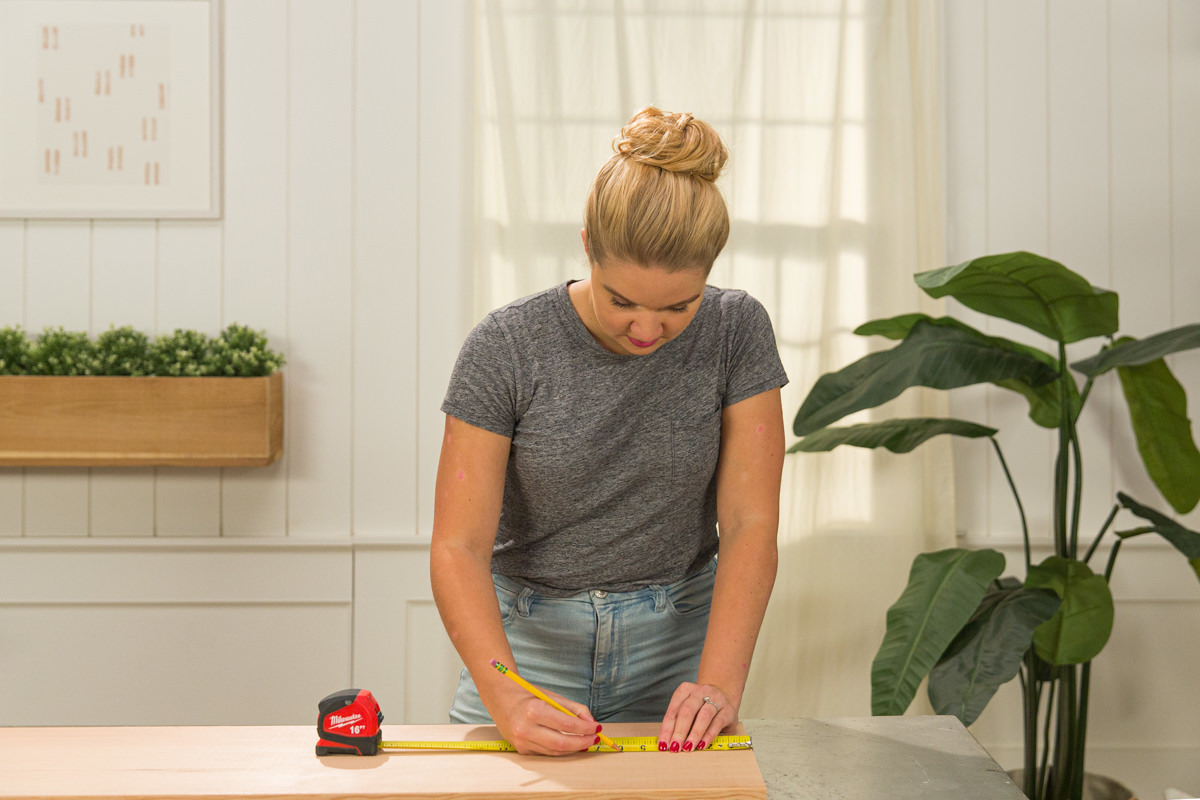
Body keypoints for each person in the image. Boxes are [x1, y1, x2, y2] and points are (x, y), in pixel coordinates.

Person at [430, 106, 787, 757]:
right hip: (528, 648)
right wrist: (506, 696)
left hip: (680, 644)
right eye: (622, 300)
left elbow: (749, 524)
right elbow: (457, 546)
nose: (647, 330)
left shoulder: (737, 330)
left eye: (679, 306)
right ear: (588, 245)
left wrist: (718, 684)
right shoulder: (507, 346)